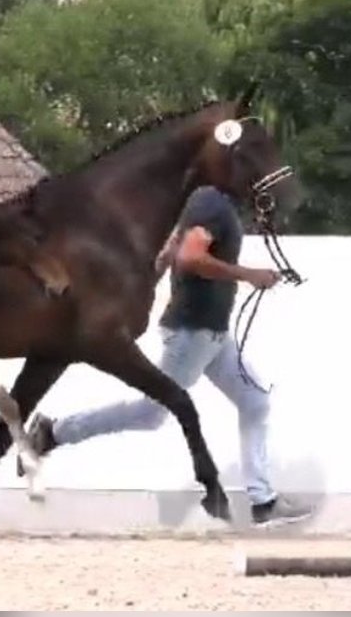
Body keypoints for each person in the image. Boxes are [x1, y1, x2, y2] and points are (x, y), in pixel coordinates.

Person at [26, 185, 314, 528]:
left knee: (254, 402)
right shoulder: (210, 201)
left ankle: (262, 501)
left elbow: (171, 250)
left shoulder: (205, 201)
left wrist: (153, 276)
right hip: (193, 334)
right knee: (151, 414)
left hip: (211, 335)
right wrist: (249, 275)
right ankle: (53, 433)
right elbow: (190, 257)